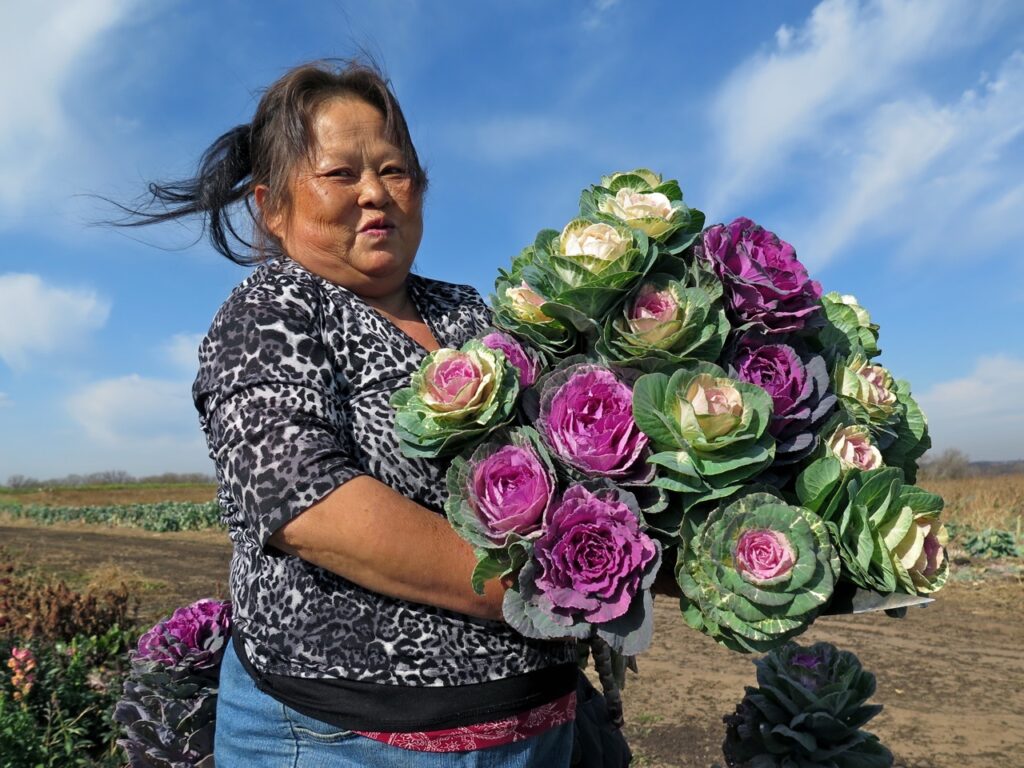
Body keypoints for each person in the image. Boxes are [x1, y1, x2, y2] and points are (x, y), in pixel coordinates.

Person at [125, 60, 578, 766]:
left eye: (394, 170)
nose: (375, 194)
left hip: (541, 727)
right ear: (272, 207)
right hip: (348, 739)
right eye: (340, 174)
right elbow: (308, 505)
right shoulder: (273, 311)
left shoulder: (468, 310)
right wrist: (534, 587)